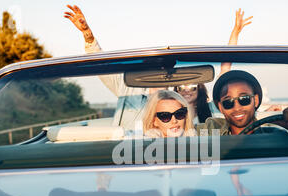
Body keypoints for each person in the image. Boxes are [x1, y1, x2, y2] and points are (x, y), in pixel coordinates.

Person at [64, 5, 252, 123]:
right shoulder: (127, 91)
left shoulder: (178, 105)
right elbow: (102, 67)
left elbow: (224, 72)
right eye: (155, 67)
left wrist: (234, 35)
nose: (160, 71)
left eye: (165, 69)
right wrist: (88, 37)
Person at [197, 70, 288, 135]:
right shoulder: (210, 130)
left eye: (244, 99)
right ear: (220, 108)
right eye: (228, 102)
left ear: (255, 100)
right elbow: (183, 133)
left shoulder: (274, 134)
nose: (237, 107)